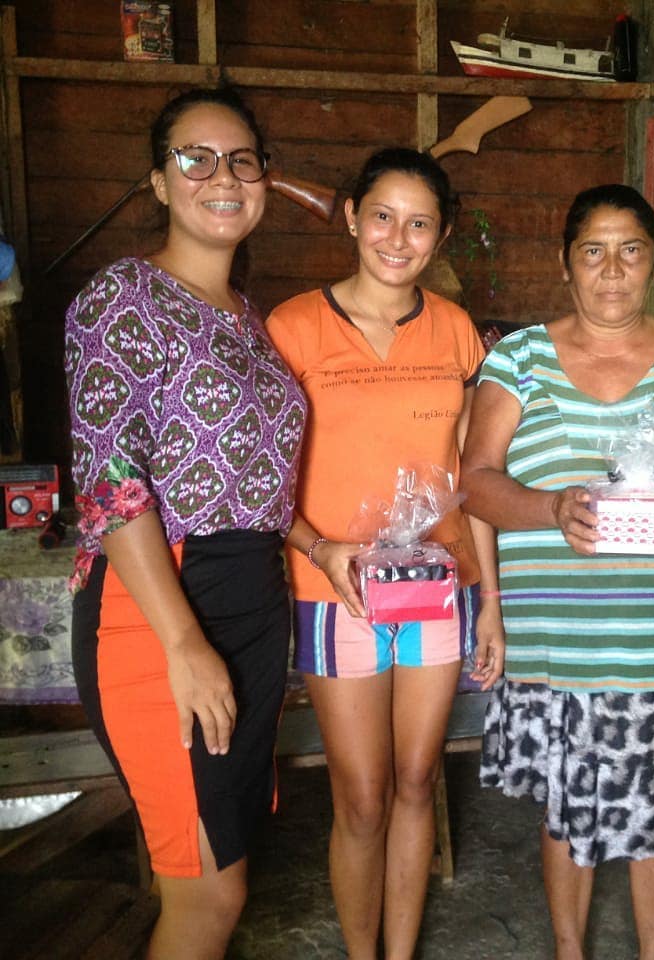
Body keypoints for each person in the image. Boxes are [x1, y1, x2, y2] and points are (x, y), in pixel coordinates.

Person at [460, 183, 654, 960]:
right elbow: (477, 480)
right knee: (570, 812)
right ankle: (568, 952)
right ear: (566, 263)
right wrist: (554, 509)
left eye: (631, 250)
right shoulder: (518, 358)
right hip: (564, 643)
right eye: (593, 251)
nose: (612, 270)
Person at [64, 87, 305, 959]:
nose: (222, 176)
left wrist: (315, 545)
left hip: (248, 596)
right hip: (161, 600)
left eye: (242, 159)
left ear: (265, 180)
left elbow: (258, 483)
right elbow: (112, 481)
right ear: (159, 184)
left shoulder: (247, 316)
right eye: (194, 159)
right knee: (206, 888)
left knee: (227, 857)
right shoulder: (121, 298)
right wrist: (183, 642)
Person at [266, 147, 504, 960]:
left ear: (439, 238)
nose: (397, 238)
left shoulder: (456, 330)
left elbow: (474, 479)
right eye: (382, 216)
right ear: (350, 216)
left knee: (414, 781)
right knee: (362, 797)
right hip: (335, 593)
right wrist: (318, 547)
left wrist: (492, 606)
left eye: (419, 223)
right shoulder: (293, 327)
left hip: (437, 590)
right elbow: (263, 479)